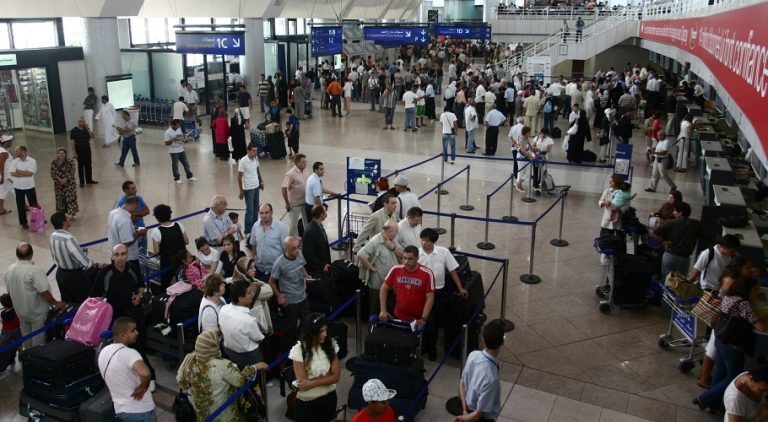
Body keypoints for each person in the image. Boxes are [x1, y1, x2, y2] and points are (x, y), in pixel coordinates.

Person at [695, 265, 765, 413]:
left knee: (720, 371)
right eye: (753, 290)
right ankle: (705, 398)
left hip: (721, 340)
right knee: (733, 375)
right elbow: (761, 328)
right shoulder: (744, 304)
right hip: (733, 345)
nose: (755, 292)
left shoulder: (729, 297)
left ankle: (714, 405)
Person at [177, 330, 268, 421]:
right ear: (213, 346)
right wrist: (255, 367)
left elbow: (180, 380)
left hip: (202, 414)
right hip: (224, 414)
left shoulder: (189, 360)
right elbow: (240, 381)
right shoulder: (222, 365)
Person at [419, 228, 469, 361]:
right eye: (422, 240)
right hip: (421, 293)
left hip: (438, 292)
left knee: (434, 322)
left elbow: (453, 271)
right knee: (421, 319)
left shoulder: (443, 252)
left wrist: (460, 288)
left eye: (427, 241)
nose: (424, 243)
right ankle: (422, 345)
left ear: (434, 242)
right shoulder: (417, 253)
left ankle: (432, 348)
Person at [4, 242, 66, 349]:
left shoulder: (9, 270)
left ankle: (28, 357)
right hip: (36, 313)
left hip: (21, 312)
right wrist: (56, 303)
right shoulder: (34, 271)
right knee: (39, 341)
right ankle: (36, 358)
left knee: (26, 338)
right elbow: (44, 293)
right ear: (31, 254)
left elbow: (9, 292)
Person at [98, 317, 156, 421]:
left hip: (121, 411)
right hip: (141, 412)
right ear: (123, 335)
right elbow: (145, 374)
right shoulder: (130, 353)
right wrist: (143, 388)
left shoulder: (103, 351)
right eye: (133, 330)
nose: (137, 333)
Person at [290, 312, 341, 422]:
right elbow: (303, 385)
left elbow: (336, 377)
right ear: (311, 332)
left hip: (329, 399)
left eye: (326, 330)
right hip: (307, 403)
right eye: (321, 331)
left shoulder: (330, 345)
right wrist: (327, 378)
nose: (325, 334)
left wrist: (311, 382)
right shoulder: (299, 350)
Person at [455, 319, 505, 422]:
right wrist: (466, 418)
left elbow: (462, 382)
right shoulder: (492, 378)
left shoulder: (473, 355)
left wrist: (464, 411)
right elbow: (478, 414)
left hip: (468, 411)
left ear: (483, 338)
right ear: (502, 342)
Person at [379, 245, 435, 329]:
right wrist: (383, 310)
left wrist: (423, 318)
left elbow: (430, 298)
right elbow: (384, 288)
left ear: (417, 258)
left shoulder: (427, 274)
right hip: (398, 316)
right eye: (404, 258)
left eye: (410, 259)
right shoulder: (395, 270)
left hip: (418, 319)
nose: (406, 262)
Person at [268, 236, 310, 347]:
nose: (297, 251)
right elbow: (271, 281)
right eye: (293, 248)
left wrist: (306, 276)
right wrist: (279, 296)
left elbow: (302, 267)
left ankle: (302, 344)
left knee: (306, 323)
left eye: (298, 247)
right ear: (286, 249)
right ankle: (290, 351)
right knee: (290, 328)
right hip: (291, 302)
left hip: (303, 296)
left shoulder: (299, 254)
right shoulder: (279, 263)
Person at [50, 212, 99, 304]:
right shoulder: (68, 239)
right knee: (84, 303)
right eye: (67, 218)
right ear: (64, 223)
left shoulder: (53, 236)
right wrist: (95, 265)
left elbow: (60, 252)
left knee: (69, 302)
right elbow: (84, 261)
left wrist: (80, 250)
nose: (69, 219)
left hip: (60, 274)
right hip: (74, 277)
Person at [358, 221, 402, 316]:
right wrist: (371, 267)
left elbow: (402, 254)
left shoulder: (392, 239)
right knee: (375, 309)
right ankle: (372, 329)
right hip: (377, 284)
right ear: (389, 232)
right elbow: (360, 254)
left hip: (390, 282)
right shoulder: (375, 241)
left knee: (389, 307)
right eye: (396, 231)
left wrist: (393, 247)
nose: (397, 233)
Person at [219, 279, 265, 368]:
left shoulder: (223, 309)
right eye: (249, 293)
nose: (252, 295)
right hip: (249, 356)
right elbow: (259, 339)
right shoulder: (248, 320)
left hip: (229, 352)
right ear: (240, 298)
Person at [653, 202, 701, 280]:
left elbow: (655, 232)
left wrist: (663, 241)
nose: (673, 213)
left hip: (670, 256)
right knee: (680, 285)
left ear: (680, 213)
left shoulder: (672, 223)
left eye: (675, 211)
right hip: (684, 260)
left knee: (666, 281)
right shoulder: (696, 224)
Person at [151, 204, 189, 290]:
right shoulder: (179, 225)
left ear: (157, 218)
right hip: (182, 261)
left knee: (169, 287)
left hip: (167, 265)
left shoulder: (156, 231)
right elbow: (186, 241)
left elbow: (156, 251)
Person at [247, 203, 289, 276]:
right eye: (262, 213)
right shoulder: (256, 226)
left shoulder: (281, 227)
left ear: (271, 212)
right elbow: (253, 243)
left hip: (276, 270)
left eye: (267, 212)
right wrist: (255, 258)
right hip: (260, 268)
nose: (264, 215)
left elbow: (286, 249)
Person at [107, 196, 148, 267]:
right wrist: (139, 233)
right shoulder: (125, 220)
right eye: (136, 207)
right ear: (133, 205)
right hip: (128, 259)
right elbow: (126, 243)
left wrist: (133, 228)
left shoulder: (113, 212)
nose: (136, 210)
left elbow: (116, 228)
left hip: (115, 254)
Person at [8, 146, 37, 229]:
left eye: (17, 151)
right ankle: (23, 222)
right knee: (20, 205)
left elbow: (30, 174)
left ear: (23, 151)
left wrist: (18, 171)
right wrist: (25, 173)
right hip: (18, 187)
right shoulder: (14, 161)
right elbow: (12, 173)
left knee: (33, 204)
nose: (15, 152)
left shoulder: (32, 161)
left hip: (29, 186)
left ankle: (37, 219)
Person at [238, 144, 265, 234]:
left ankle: (255, 227)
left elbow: (257, 170)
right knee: (249, 210)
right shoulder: (243, 161)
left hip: (256, 186)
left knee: (256, 209)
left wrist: (261, 181)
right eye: (253, 150)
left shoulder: (255, 159)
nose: (255, 152)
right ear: (248, 151)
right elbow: (239, 177)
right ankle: (248, 231)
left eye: (256, 150)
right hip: (248, 189)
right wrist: (241, 191)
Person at [282, 154, 310, 237]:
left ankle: (307, 238)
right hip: (295, 203)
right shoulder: (291, 174)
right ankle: (293, 242)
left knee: (307, 222)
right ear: (297, 163)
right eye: (303, 162)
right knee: (293, 224)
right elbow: (284, 188)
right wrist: (287, 203)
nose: (305, 163)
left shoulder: (306, 171)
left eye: (305, 161)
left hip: (305, 202)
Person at [164, 119, 197, 184]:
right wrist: (173, 140)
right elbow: (166, 143)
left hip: (181, 149)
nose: (178, 127)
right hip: (173, 151)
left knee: (186, 163)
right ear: (172, 125)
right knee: (175, 165)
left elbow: (181, 138)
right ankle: (177, 178)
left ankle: (189, 176)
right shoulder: (167, 132)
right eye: (177, 126)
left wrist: (185, 139)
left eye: (179, 126)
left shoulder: (179, 129)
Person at [302, 205, 332, 275]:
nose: (326, 214)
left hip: (324, 264)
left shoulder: (319, 225)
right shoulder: (310, 231)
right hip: (317, 270)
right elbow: (308, 254)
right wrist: (322, 265)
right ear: (321, 214)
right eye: (325, 212)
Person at [50, 147, 78, 218]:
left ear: (65, 154)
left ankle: (73, 214)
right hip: (58, 185)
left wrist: (66, 179)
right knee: (60, 200)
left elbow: (72, 171)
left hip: (69, 185)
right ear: (57, 154)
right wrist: (59, 179)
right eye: (59, 153)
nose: (61, 154)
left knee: (71, 199)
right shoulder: (54, 162)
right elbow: (53, 173)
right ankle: (61, 215)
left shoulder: (70, 161)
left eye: (62, 153)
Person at [69, 117, 97, 187]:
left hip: (87, 149)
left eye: (83, 121)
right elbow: (72, 142)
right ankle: (82, 182)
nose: (81, 123)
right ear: (78, 122)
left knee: (88, 165)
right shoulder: (73, 131)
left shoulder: (86, 129)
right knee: (81, 166)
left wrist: (88, 128)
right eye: (80, 121)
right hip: (79, 150)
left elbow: (92, 136)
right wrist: (74, 152)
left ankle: (89, 180)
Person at [0, 136, 13, 215]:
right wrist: (2, 177)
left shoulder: (2, 150)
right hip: (7, 176)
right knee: (18, 191)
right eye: (9, 141)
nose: (10, 142)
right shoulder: (3, 152)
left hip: (4, 176)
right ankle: (24, 206)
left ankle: (1, 209)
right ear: (5, 143)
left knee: (2, 192)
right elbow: (1, 165)